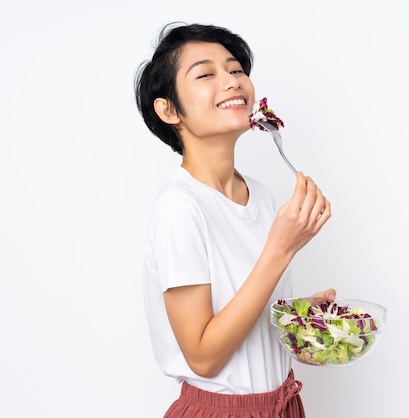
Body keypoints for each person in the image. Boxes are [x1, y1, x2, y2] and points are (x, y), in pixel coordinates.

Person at [135, 22, 335, 417]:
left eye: (236, 70)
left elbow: (241, 305)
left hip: (283, 405)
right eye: (206, 74)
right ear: (169, 109)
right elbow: (204, 357)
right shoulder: (181, 208)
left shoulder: (260, 195)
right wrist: (281, 249)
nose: (232, 81)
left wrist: (295, 319)